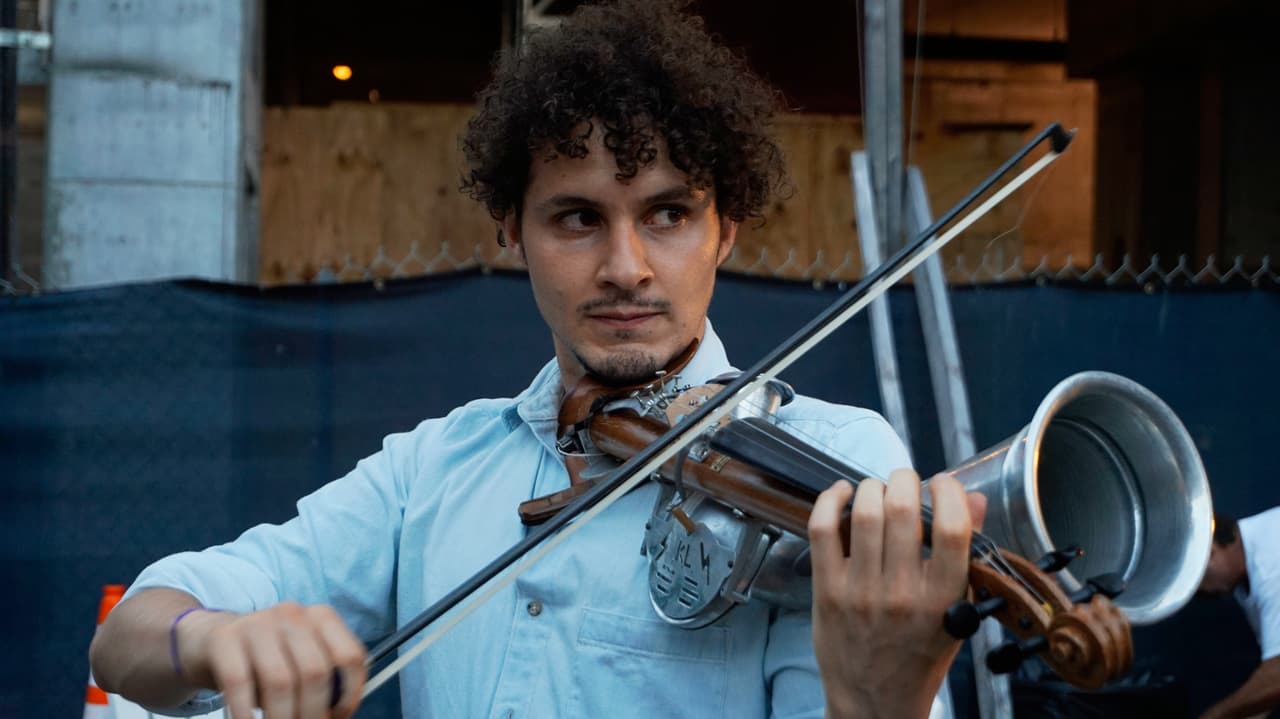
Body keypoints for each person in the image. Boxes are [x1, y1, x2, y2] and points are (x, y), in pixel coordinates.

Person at [89, 2, 982, 717]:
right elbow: (127, 637)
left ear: (725, 231)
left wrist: (878, 700)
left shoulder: (833, 471)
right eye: (578, 217)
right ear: (512, 230)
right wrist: (212, 639)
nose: (626, 265)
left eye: (668, 213)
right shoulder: (430, 470)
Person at [1197, 509, 1280, 719]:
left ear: (1210, 553)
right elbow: (1268, 689)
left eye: (1196, 581)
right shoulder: (1247, 567)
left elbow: (1276, 676)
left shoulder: (1270, 564)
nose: (1200, 591)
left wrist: (1214, 715)